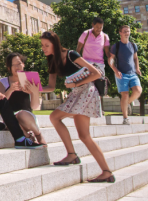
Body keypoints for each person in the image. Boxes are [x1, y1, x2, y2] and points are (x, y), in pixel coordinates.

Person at [42, 31, 115, 183]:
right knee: (82, 134)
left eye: (46, 45)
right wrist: (34, 88)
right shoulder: (51, 61)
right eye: (42, 45)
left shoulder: (71, 54)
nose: (44, 48)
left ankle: (97, 167)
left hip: (87, 90)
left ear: (55, 44)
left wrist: (75, 83)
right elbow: (51, 86)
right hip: (76, 93)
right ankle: (77, 157)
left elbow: (96, 73)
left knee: (57, 118)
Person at [0, 52, 47, 148]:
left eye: (19, 63)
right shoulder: (3, 82)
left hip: (27, 118)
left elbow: (35, 106)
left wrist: (35, 92)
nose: (17, 67)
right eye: (13, 65)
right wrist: (11, 89)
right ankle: (28, 137)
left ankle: (38, 135)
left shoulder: (30, 80)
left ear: (23, 64)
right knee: (11, 118)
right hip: (9, 119)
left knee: (21, 114)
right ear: (9, 68)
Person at [109, 25, 142, 125]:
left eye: (128, 31)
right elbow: (110, 60)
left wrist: (137, 68)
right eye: (125, 31)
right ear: (120, 33)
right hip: (121, 74)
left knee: (138, 91)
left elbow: (135, 58)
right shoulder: (116, 46)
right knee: (125, 95)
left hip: (132, 73)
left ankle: (127, 103)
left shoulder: (133, 45)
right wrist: (115, 70)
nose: (127, 33)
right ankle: (125, 118)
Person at [77, 17, 111, 114]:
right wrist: (78, 62)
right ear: (93, 25)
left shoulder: (105, 37)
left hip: (99, 64)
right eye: (97, 27)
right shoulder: (86, 34)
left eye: (101, 27)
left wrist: (112, 60)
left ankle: (99, 109)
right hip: (87, 63)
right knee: (86, 85)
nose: (99, 29)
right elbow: (78, 49)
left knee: (100, 86)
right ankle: (85, 108)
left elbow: (107, 52)